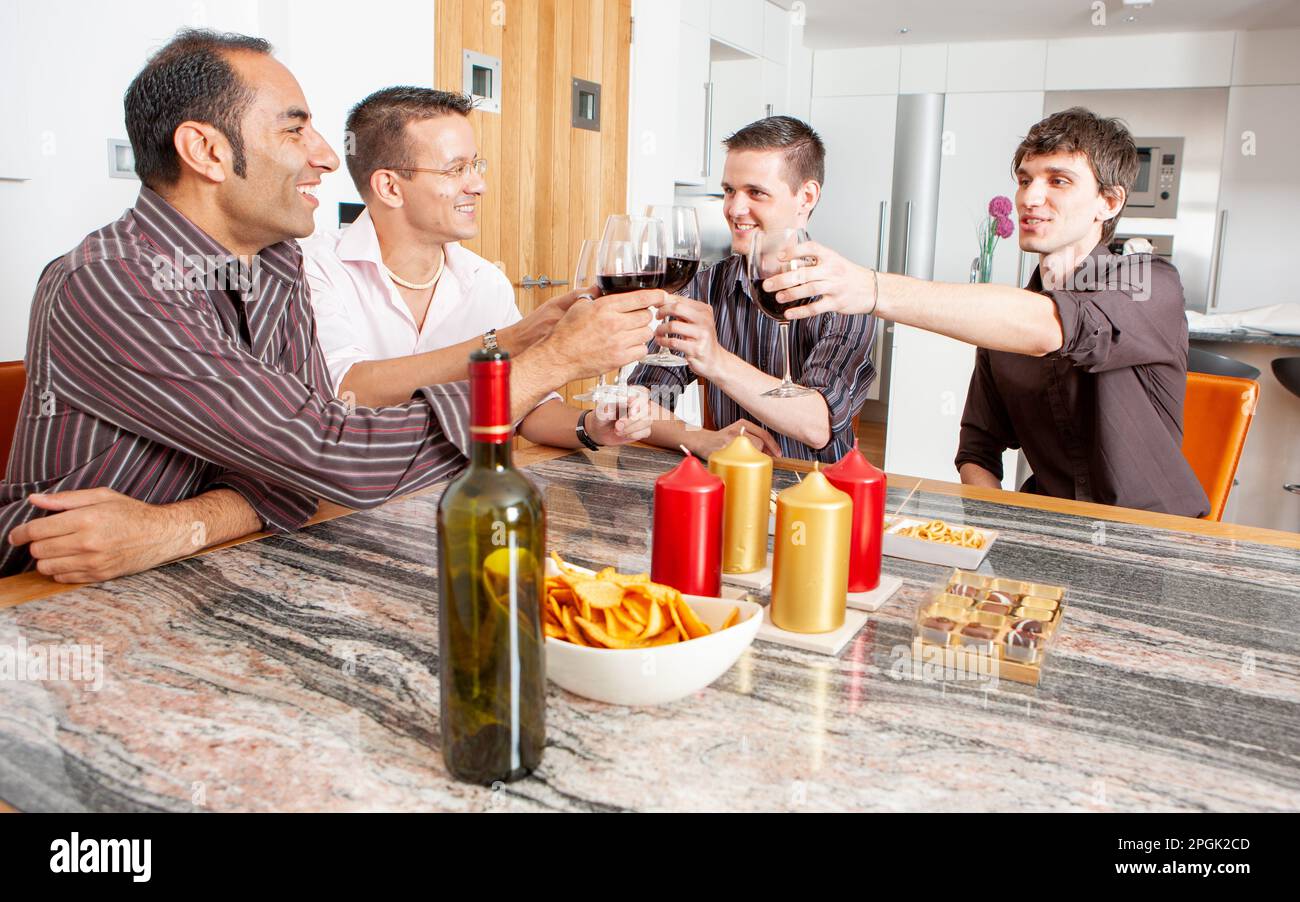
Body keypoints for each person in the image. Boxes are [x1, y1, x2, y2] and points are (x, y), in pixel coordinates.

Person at [0, 29, 656, 580]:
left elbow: (307, 473)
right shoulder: (116, 283)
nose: (322, 157)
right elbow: (339, 456)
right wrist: (555, 360)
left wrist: (180, 526)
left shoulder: (276, 264)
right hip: (55, 595)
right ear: (206, 151)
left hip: (212, 568)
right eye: (295, 131)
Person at [762, 107, 1209, 517]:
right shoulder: (1006, 326)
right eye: (1024, 179)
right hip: (1048, 527)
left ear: (1108, 202)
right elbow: (978, 450)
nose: (1030, 197)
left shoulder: (1150, 283)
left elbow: (1052, 328)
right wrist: (996, 522)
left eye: (1058, 180)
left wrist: (872, 287)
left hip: (1155, 535)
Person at [301, 86, 653, 450]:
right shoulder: (312, 268)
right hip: (347, 500)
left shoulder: (486, 281)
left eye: (475, 165)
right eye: (456, 169)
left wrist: (591, 427)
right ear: (390, 187)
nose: (479, 185)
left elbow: (529, 409)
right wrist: (514, 340)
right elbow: (346, 386)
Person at [627, 116, 878, 462]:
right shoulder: (705, 285)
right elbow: (641, 404)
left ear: (806, 196)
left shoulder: (847, 296)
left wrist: (715, 360)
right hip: (732, 488)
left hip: (819, 497)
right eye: (729, 190)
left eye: (755, 192)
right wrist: (700, 439)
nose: (733, 209)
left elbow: (818, 425)